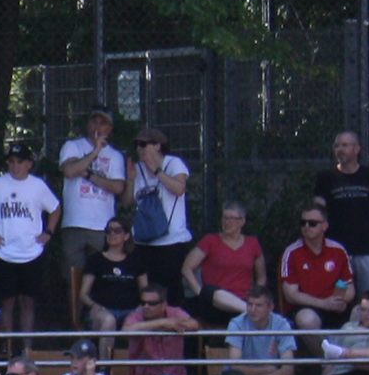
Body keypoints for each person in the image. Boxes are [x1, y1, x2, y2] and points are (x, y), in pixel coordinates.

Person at [0, 142, 59, 335]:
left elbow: (55, 208)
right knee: (7, 302)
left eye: (19, 162)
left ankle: (27, 348)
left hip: (31, 252)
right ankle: (8, 348)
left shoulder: (38, 186)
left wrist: (49, 232)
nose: (15, 166)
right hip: (4, 253)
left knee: (28, 302)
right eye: (11, 162)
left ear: (29, 164)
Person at [55, 110, 128, 323]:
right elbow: (69, 171)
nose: (98, 126)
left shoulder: (115, 156)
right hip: (75, 223)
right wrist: (95, 151)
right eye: (94, 120)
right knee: (73, 277)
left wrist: (87, 174)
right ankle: (75, 326)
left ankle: (99, 321)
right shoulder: (72, 146)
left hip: (103, 226)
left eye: (103, 123)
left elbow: (118, 187)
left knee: (103, 276)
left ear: (110, 129)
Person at [313, 132, 369, 302]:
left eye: (345, 145)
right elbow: (317, 215)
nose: (340, 149)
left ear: (357, 149)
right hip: (336, 254)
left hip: (367, 253)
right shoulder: (326, 178)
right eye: (337, 146)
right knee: (339, 300)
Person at [125, 126, 195, 295]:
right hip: (143, 239)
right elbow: (127, 202)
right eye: (137, 145)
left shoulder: (173, 163)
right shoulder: (137, 168)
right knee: (146, 287)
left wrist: (156, 170)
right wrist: (131, 180)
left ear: (157, 145)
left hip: (171, 240)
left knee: (169, 288)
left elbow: (179, 189)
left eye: (143, 144)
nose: (139, 149)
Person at [117, 279, 200, 375]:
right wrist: (163, 323)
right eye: (143, 303)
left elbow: (194, 325)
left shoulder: (174, 312)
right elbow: (125, 331)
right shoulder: (136, 316)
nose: (146, 307)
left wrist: (165, 324)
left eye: (152, 303)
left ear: (164, 304)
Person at [278, 205, 357, 337]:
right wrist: (323, 304)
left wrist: (338, 300)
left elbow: (349, 287)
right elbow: (290, 295)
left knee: (362, 311)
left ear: (325, 226)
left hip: (335, 305)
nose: (306, 226)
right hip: (307, 307)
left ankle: (349, 353)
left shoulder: (338, 250)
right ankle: (327, 355)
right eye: (303, 223)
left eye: (312, 223)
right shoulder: (292, 252)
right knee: (306, 320)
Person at [182, 201, 267, 319]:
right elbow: (187, 268)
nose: (227, 222)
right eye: (224, 218)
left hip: (243, 298)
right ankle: (253, 311)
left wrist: (257, 296)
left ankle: (250, 309)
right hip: (215, 303)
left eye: (232, 219)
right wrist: (199, 292)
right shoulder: (210, 240)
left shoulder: (252, 243)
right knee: (210, 291)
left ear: (242, 221)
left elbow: (261, 277)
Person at [225, 287, 300, 375]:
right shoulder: (237, 323)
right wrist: (266, 370)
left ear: (270, 308)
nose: (252, 310)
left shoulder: (282, 325)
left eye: (258, 305)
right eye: (250, 304)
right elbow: (235, 367)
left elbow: (288, 369)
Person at [79, 220, 146, 334]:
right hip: (102, 311)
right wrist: (95, 306)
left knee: (136, 323)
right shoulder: (95, 259)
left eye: (117, 231)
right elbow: (83, 294)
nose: (112, 234)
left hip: (130, 311)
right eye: (108, 231)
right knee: (108, 321)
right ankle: (105, 353)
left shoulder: (136, 260)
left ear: (126, 236)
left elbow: (145, 291)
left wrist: (140, 308)